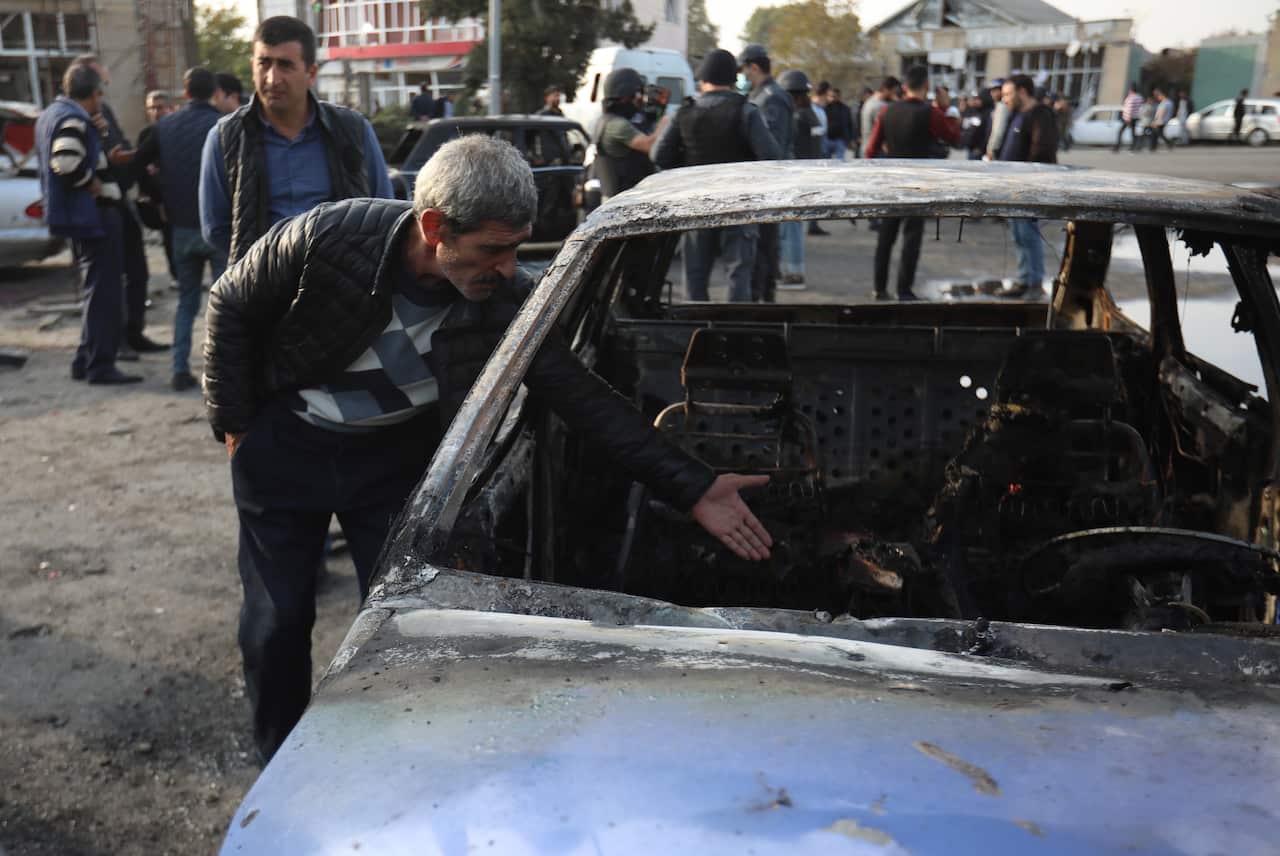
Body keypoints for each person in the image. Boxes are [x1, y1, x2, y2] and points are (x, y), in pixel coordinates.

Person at [204, 134, 773, 762]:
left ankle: (387, 761)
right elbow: (232, 300)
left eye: (515, 250)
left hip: (393, 470)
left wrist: (692, 485)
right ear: (433, 226)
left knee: (402, 628)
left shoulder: (506, 300)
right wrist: (234, 422)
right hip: (287, 453)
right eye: (491, 250)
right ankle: (279, 759)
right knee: (278, 619)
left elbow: (580, 395)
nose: (506, 267)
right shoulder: (330, 237)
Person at [199, 16, 394, 264]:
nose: (272, 78)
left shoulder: (353, 130)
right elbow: (215, 227)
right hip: (261, 291)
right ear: (252, 66)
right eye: (264, 63)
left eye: (285, 65)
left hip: (342, 287)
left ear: (311, 72)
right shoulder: (226, 138)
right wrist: (265, 267)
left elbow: (384, 211)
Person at [35, 63, 139, 384]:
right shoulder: (72, 119)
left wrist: (101, 136)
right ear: (95, 93)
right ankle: (100, 365)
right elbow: (64, 161)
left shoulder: (54, 113)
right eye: (101, 91)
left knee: (94, 290)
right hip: (94, 216)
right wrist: (90, 181)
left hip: (79, 217)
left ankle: (86, 358)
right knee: (104, 292)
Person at [654, 49, 781, 303]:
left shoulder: (685, 112)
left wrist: (689, 167)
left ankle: (698, 333)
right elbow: (771, 156)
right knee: (739, 277)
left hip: (696, 204)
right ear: (733, 79)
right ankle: (737, 333)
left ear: (702, 79)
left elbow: (659, 156)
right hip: (739, 204)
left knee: (695, 279)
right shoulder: (746, 111)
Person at [134, 67, 229, 392]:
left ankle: (179, 370)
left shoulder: (164, 126)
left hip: (181, 229)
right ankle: (223, 374)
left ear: (185, 94)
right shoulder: (223, 126)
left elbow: (137, 165)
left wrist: (159, 197)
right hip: (217, 228)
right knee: (225, 306)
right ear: (214, 92)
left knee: (186, 302)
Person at [76, 54, 167, 357]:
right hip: (101, 205)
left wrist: (133, 158)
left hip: (120, 198)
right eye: (102, 84)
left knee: (137, 270)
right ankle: (114, 343)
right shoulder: (78, 116)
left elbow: (117, 146)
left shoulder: (104, 112)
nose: (105, 90)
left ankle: (134, 332)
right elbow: (86, 160)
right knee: (110, 276)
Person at [863, 65, 960, 301]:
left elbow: (870, 150)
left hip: (891, 182)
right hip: (918, 183)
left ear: (904, 87)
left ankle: (879, 288)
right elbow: (954, 137)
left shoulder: (886, 111)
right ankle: (904, 290)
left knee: (885, 238)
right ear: (927, 86)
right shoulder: (931, 113)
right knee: (911, 238)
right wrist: (946, 106)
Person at [738, 43, 791, 304]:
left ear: (754, 68)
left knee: (764, 248)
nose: (742, 76)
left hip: (768, 186)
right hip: (760, 185)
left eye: (744, 70)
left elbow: (774, 149)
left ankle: (763, 300)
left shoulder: (771, 98)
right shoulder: (761, 94)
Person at [997, 75, 1058, 296]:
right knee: (1019, 234)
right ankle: (1024, 279)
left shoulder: (1041, 115)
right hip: (1013, 187)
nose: (1004, 99)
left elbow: (1042, 150)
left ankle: (1034, 283)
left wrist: (1027, 178)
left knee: (1028, 233)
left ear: (1022, 92)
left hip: (1029, 187)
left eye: (1007, 94)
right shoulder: (1017, 114)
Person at [590, 68, 664, 202]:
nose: (640, 98)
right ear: (626, 96)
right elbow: (650, 145)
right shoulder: (617, 125)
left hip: (622, 199)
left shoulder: (606, 119)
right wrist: (664, 121)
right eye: (637, 94)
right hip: (621, 202)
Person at [777, 70, 822, 290]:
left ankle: (793, 275)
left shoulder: (796, 118)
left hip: (793, 177)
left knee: (789, 228)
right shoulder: (812, 114)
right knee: (793, 227)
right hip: (807, 176)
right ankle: (793, 271)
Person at [806, 81, 830, 236]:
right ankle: (812, 223)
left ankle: (813, 222)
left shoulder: (816, 109)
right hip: (814, 155)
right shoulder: (814, 110)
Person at [960, 88, 992, 159]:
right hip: (969, 148)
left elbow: (987, 133)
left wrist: (981, 148)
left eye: (977, 99)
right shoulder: (972, 111)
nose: (975, 101)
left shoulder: (987, 114)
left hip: (979, 151)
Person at [825, 87, 853, 161]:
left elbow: (850, 125)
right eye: (830, 96)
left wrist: (850, 139)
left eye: (834, 96)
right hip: (826, 139)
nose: (832, 98)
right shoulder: (823, 108)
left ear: (839, 96)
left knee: (839, 163)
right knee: (825, 162)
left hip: (840, 140)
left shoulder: (845, 109)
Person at [984, 79, 1009, 160]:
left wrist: (991, 149)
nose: (993, 93)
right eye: (992, 90)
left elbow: (998, 131)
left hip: (997, 151)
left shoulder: (1002, 106)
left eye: (996, 90)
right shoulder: (997, 106)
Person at [1115, 82, 1143, 152]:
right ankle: (1134, 146)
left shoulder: (1131, 98)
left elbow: (1129, 108)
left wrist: (1127, 118)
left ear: (1131, 90)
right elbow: (1140, 108)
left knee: (1120, 131)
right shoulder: (1140, 97)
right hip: (1135, 117)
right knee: (1133, 132)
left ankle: (1117, 147)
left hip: (1128, 118)